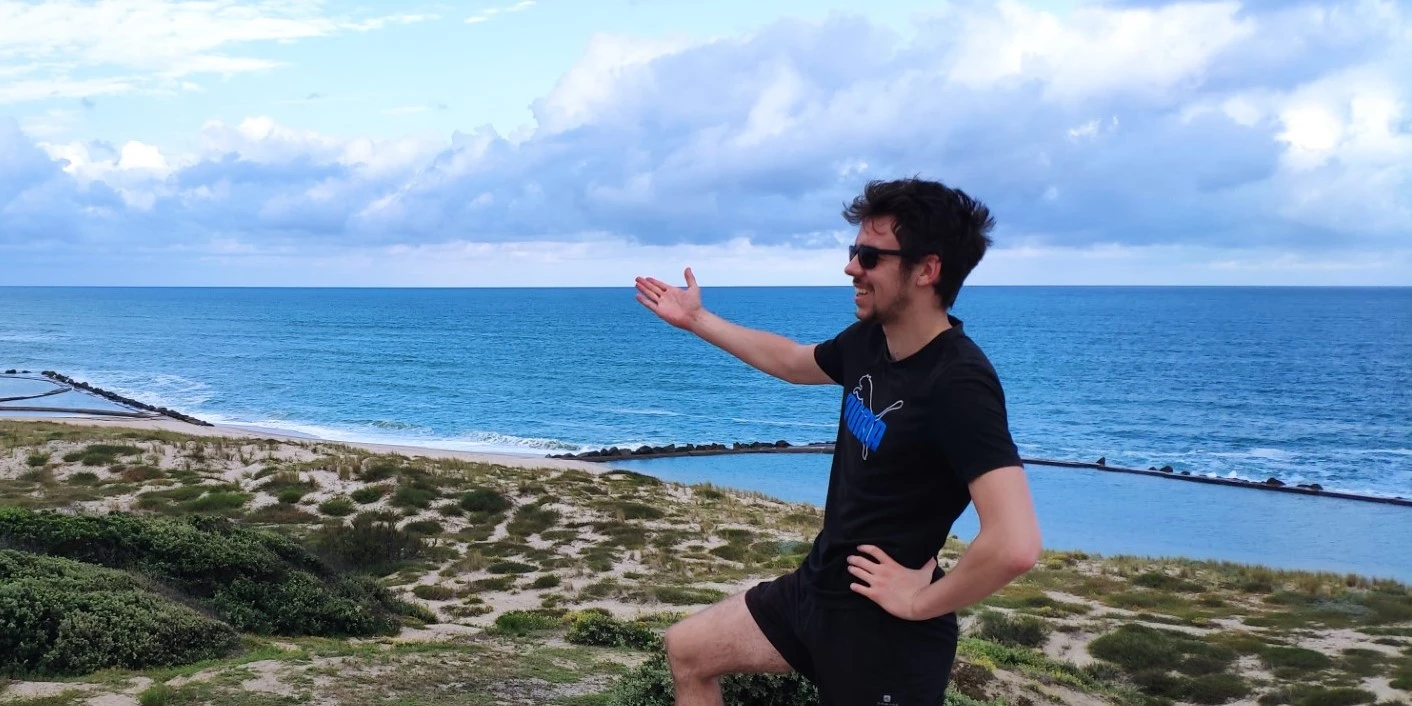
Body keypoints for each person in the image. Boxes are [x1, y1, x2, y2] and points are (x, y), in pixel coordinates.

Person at [633, 177, 1042, 706]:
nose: (852, 268)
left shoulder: (959, 381)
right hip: (820, 589)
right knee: (688, 649)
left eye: (870, 257)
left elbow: (1014, 543)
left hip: (885, 638)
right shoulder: (871, 342)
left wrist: (921, 603)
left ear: (927, 269)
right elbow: (791, 361)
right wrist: (696, 320)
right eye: (854, 252)